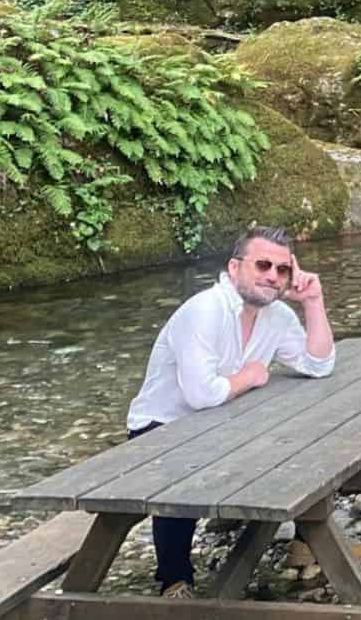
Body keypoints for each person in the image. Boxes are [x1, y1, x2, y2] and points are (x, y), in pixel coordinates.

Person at [127, 225, 334, 598]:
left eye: (282, 269)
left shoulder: (278, 316)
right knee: (185, 471)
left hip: (225, 420)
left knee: (308, 436)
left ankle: (306, 542)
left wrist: (313, 302)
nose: (273, 276)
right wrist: (248, 377)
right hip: (162, 426)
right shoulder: (204, 311)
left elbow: (317, 365)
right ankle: (175, 580)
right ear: (235, 268)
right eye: (263, 265)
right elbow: (200, 395)